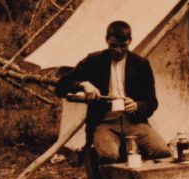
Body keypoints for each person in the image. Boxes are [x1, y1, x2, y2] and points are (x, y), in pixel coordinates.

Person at [55, 20, 171, 163]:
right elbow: (60, 86)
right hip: (104, 121)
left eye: (123, 46)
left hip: (133, 121)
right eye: (113, 46)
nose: (118, 50)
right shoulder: (94, 61)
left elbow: (152, 102)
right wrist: (83, 84)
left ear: (130, 41)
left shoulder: (140, 64)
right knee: (108, 156)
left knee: (162, 152)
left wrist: (137, 106)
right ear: (106, 40)